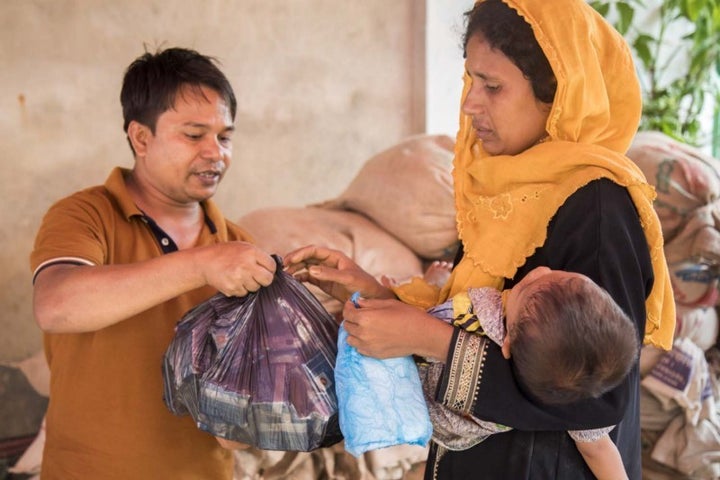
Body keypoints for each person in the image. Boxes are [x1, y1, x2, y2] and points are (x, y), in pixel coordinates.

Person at [284, 1, 676, 479]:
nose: (471, 102)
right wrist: (370, 291)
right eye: (471, 80)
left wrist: (430, 339)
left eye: (493, 86)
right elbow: (478, 312)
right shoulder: (502, 191)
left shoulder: (597, 207)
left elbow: (597, 398)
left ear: (558, 94)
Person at [30, 47, 277, 479]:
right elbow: (56, 305)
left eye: (224, 136)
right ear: (141, 138)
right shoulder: (86, 215)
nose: (215, 153)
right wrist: (200, 265)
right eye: (194, 134)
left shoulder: (237, 246)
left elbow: (238, 426)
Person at [421, 266, 637, 480]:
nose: (540, 271)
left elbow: (420, 331)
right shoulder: (572, 393)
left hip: (432, 407)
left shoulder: (479, 311)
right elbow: (598, 450)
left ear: (507, 345)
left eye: (524, 289)